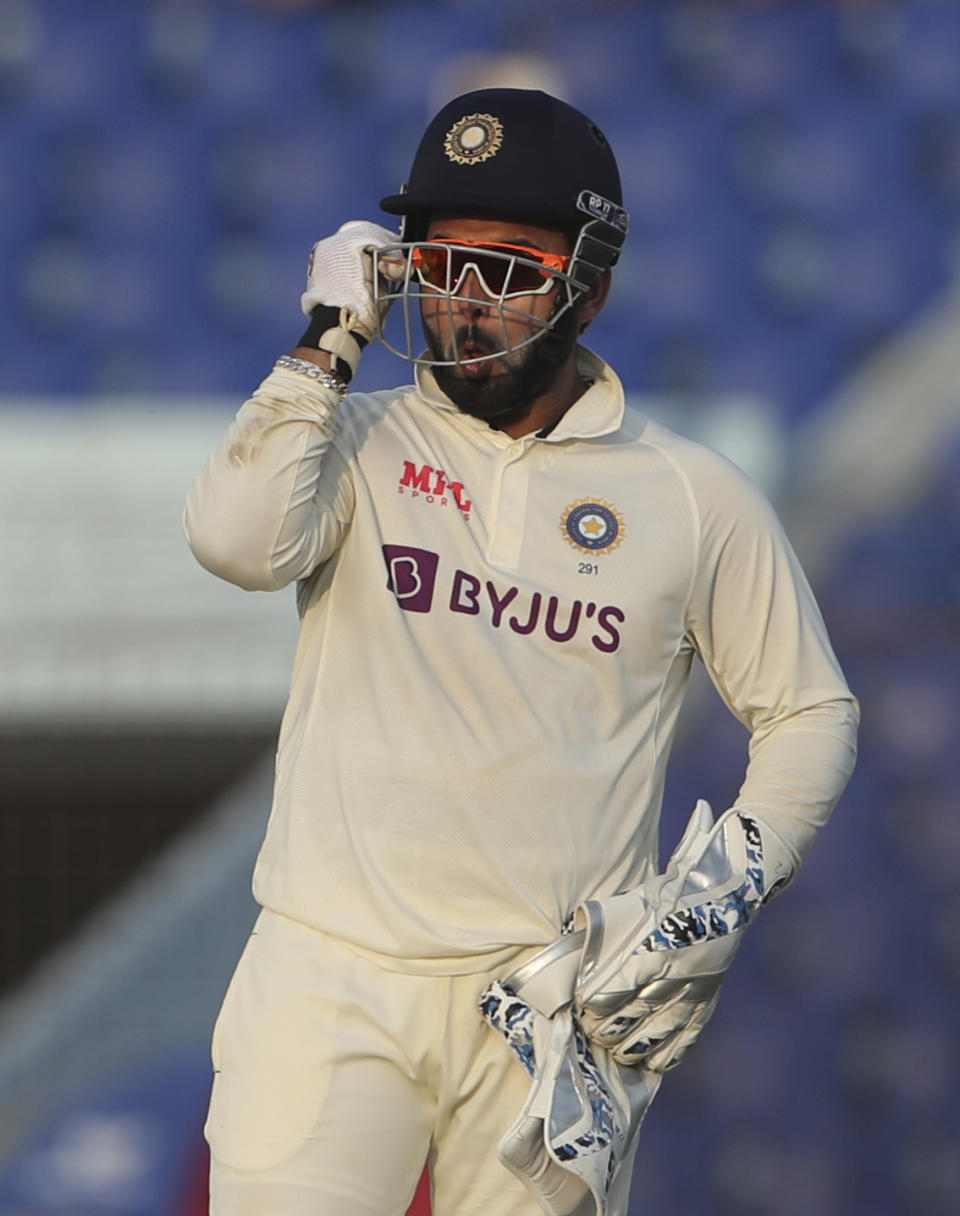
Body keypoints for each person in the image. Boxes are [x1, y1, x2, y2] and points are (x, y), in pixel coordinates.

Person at [184, 88, 858, 1216]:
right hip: (327, 975)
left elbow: (811, 712)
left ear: (589, 288)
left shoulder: (691, 497)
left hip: (548, 1011)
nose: (468, 305)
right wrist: (323, 341)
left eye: (508, 269)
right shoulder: (352, 437)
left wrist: (717, 892)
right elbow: (234, 540)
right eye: (442, 266)